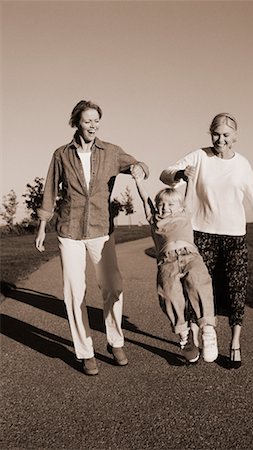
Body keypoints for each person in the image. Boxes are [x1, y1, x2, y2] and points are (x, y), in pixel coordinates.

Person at [35, 100, 149, 375]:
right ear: (77, 123)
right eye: (88, 121)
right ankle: (85, 352)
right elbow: (50, 190)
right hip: (69, 230)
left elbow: (138, 164)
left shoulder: (110, 152)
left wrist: (140, 169)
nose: (93, 125)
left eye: (97, 120)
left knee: (113, 286)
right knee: (74, 293)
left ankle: (115, 341)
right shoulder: (61, 154)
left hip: (101, 229)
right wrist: (42, 226)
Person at [160, 113, 253, 369]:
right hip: (202, 235)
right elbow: (165, 174)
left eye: (225, 135)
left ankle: (234, 343)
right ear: (210, 133)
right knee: (197, 289)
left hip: (234, 237)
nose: (220, 139)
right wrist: (180, 173)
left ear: (235, 137)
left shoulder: (243, 164)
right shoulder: (199, 157)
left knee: (236, 289)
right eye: (216, 134)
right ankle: (195, 341)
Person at [131, 164, 218, 364]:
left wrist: (189, 178)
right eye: (161, 204)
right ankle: (185, 335)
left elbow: (189, 194)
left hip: (190, 257)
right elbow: (145, 199)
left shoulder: (185, 213)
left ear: (180, 207)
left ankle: (207, 329)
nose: (165, 208)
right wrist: (137, 181)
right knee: (168, 294)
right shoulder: (154, 219)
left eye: (170, 205)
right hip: (167, 262)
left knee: (199, 282)